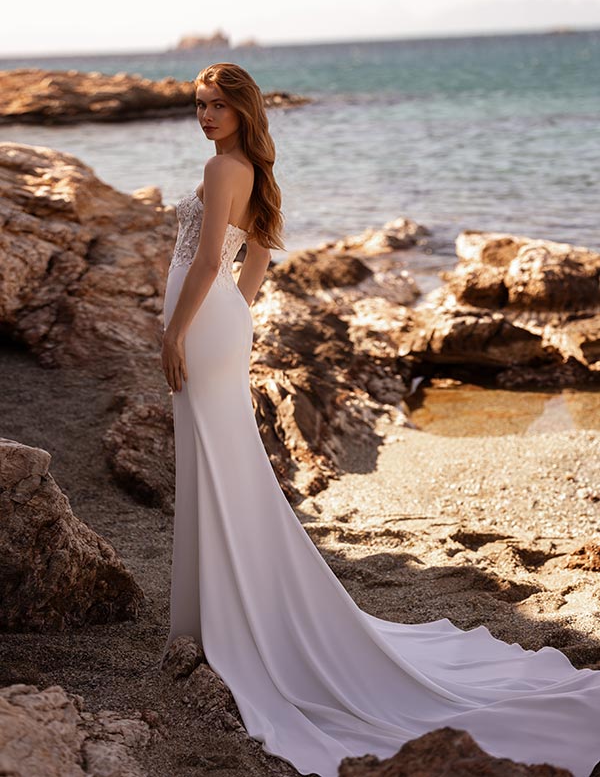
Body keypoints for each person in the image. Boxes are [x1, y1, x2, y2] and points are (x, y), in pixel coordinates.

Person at [159, 62, 600, 777]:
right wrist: (225, 316)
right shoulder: (246, 169)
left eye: (217, 105)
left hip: (202, 327)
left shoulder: (222, 171)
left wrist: (178, 331)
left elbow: (211, 258)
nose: (205, 115)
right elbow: (257, 258)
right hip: (219, 324)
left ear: (243, 110)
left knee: (218, 459)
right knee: (222, 461)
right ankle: (223, 616)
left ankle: (229, 624)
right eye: (198, 104)